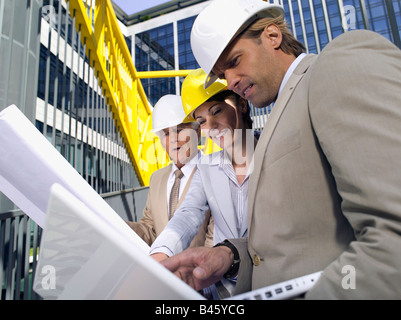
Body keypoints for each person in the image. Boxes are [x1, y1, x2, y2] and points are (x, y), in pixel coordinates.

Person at [159, 0, 401, 299]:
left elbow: (392, 235)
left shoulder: (339, 64)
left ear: (273, 36)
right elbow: (299, 243)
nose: (231, 81)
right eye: (223, 75)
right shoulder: (283, 112)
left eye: (234, 61)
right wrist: (230, 257)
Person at [149, 69, 258, 298]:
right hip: (226, 291)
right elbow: (188, 213)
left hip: (273, 281)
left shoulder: (274, 151)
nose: (211, 127)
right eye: (202, 121)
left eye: (217, 111)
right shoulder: (207, 168)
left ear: (242, 104)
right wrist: (159, 255)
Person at [126, 94, 213, 248]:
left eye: (179, 130)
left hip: (200, 270)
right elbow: (150, 229)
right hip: (163, 269)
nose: (173, 139)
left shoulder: (214, 173)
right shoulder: (157, 179)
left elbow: (215, 238)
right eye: (166, 133)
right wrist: (118, 225)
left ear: (197, 132)